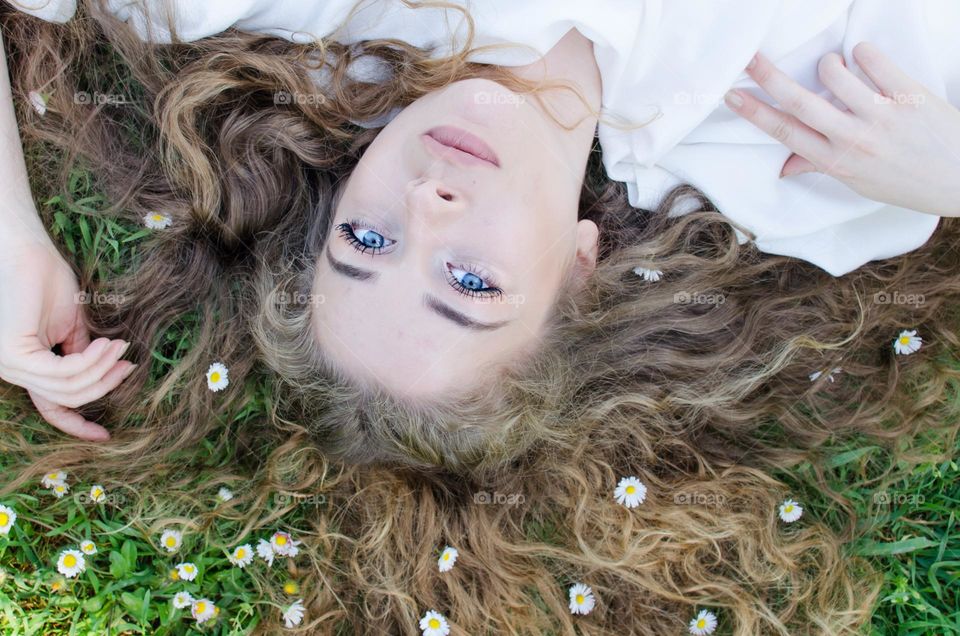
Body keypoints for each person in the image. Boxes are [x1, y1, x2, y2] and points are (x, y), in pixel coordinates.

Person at [2, 1, 960, 632]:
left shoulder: (324, 12)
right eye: (469, 284)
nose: (426, 208)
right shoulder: (806, 172)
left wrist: (10, 242)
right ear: (580, 275)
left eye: (366, 247)